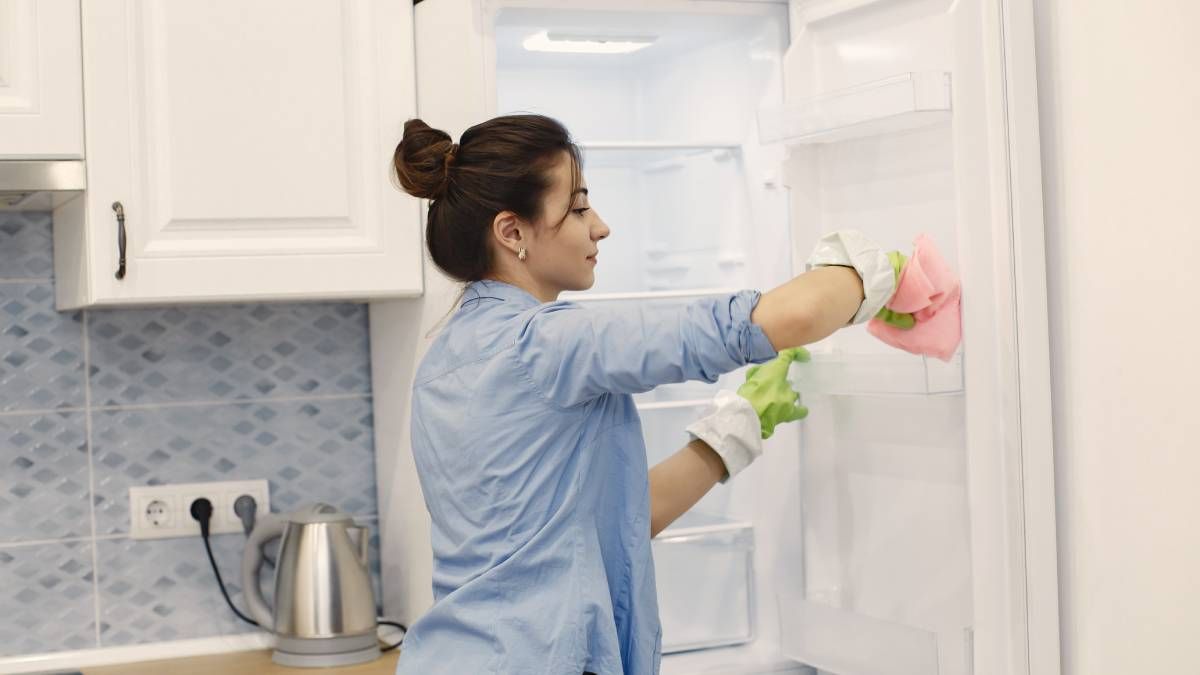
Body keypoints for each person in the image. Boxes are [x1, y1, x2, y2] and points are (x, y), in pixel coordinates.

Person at [390, 114, 901, 675]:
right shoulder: (550, 342)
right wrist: (879, 269)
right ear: (512, 233)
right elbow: (783, 317)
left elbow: (616, 520)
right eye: (579, 206)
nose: (600, 227)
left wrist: (737, 427)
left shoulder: (445, 357)